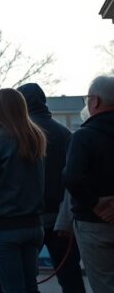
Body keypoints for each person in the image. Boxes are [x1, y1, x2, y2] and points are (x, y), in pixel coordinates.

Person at [0, 88, 46, 293]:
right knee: (30, 286)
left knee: (12, 288)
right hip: (33, 225)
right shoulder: (35, 137)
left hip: (4, 228)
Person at [18, 83, 86, 293]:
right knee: (71, 278)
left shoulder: (19, 135)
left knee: (25, 280)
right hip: (61, 218)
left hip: (28, 218)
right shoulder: (65, 133)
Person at [64, 75, 114, 292]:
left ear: (95, 101)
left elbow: (72, 178)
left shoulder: (83, 137)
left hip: (93, 224)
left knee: (104, 284)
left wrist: (94, 203)